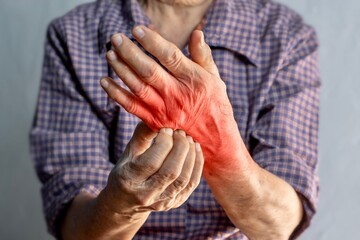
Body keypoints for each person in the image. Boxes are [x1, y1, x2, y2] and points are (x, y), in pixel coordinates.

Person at [30, 0, 320, 239]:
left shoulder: (286, 36)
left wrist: (218, 142)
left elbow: (279, 225)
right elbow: (75, 229)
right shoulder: (73, 35)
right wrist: (122, 204)